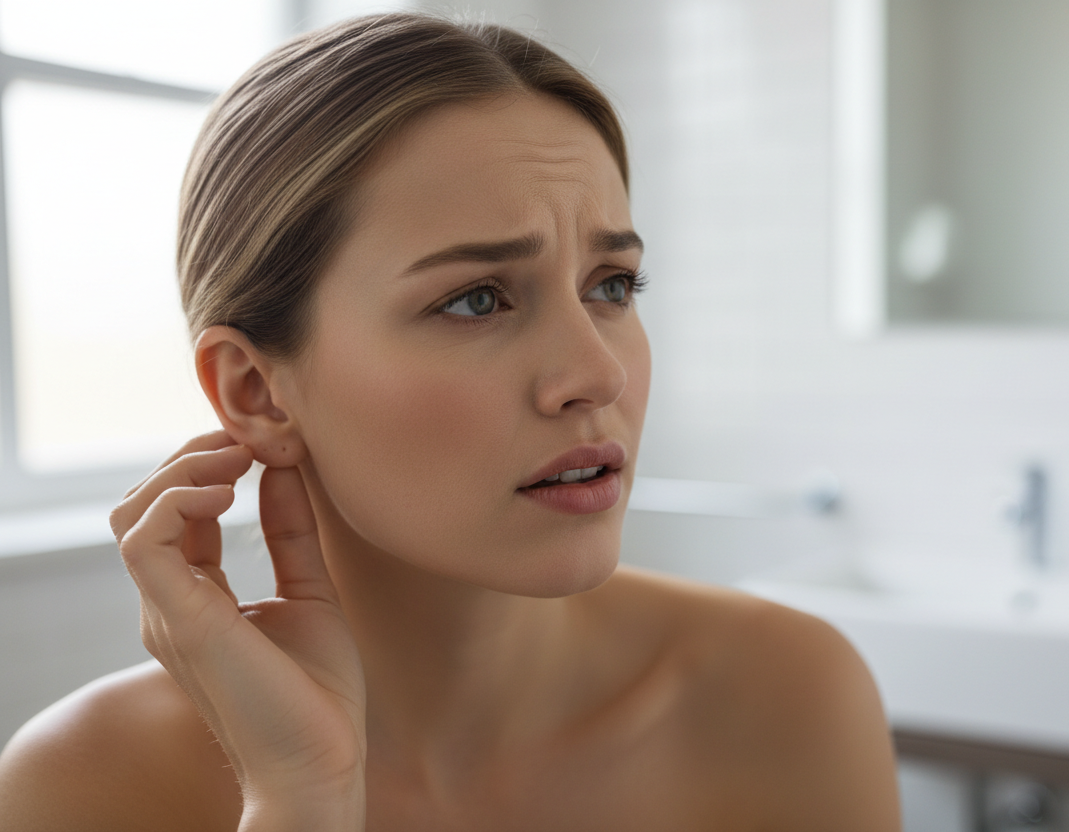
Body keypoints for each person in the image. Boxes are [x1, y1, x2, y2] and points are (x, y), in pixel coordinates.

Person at [0, 12, 899, 831]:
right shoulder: (81, 787)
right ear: (256, 393)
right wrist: (301, 797)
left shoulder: (791, 698)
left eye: (612, 286)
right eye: (478, 300)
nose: (597, 371)